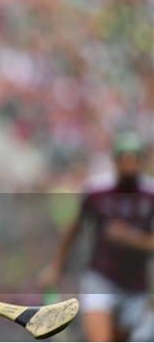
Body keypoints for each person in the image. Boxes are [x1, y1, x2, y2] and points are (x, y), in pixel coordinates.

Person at [40, 133, 154, 341]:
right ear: (115, 160)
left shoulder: (150, 194)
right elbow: (72, 230)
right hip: (100, 278)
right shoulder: (97, 191)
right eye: (125, 159)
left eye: (135, 159)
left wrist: (130, 238)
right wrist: (56, 267)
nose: (130, 165)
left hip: (135, 284)